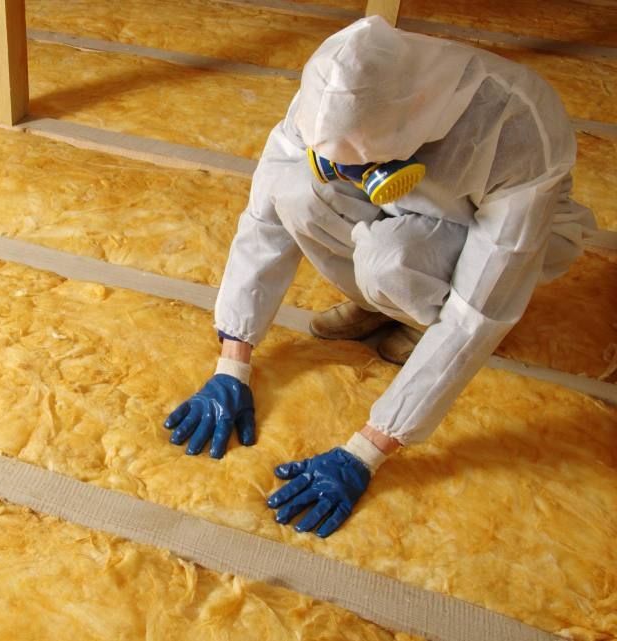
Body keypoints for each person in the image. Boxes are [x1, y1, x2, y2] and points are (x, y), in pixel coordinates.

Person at [163, 16, 596, 538]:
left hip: (495, 233)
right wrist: (233, 361)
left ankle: (411, 318)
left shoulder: (515, 124)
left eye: (357, 164)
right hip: (398, 208)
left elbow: (478, 312)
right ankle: (384, 302)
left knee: (391, 260)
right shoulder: (327, 94)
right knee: (297, 189)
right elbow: (266, 220)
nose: (340, 177)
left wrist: (367, 449)